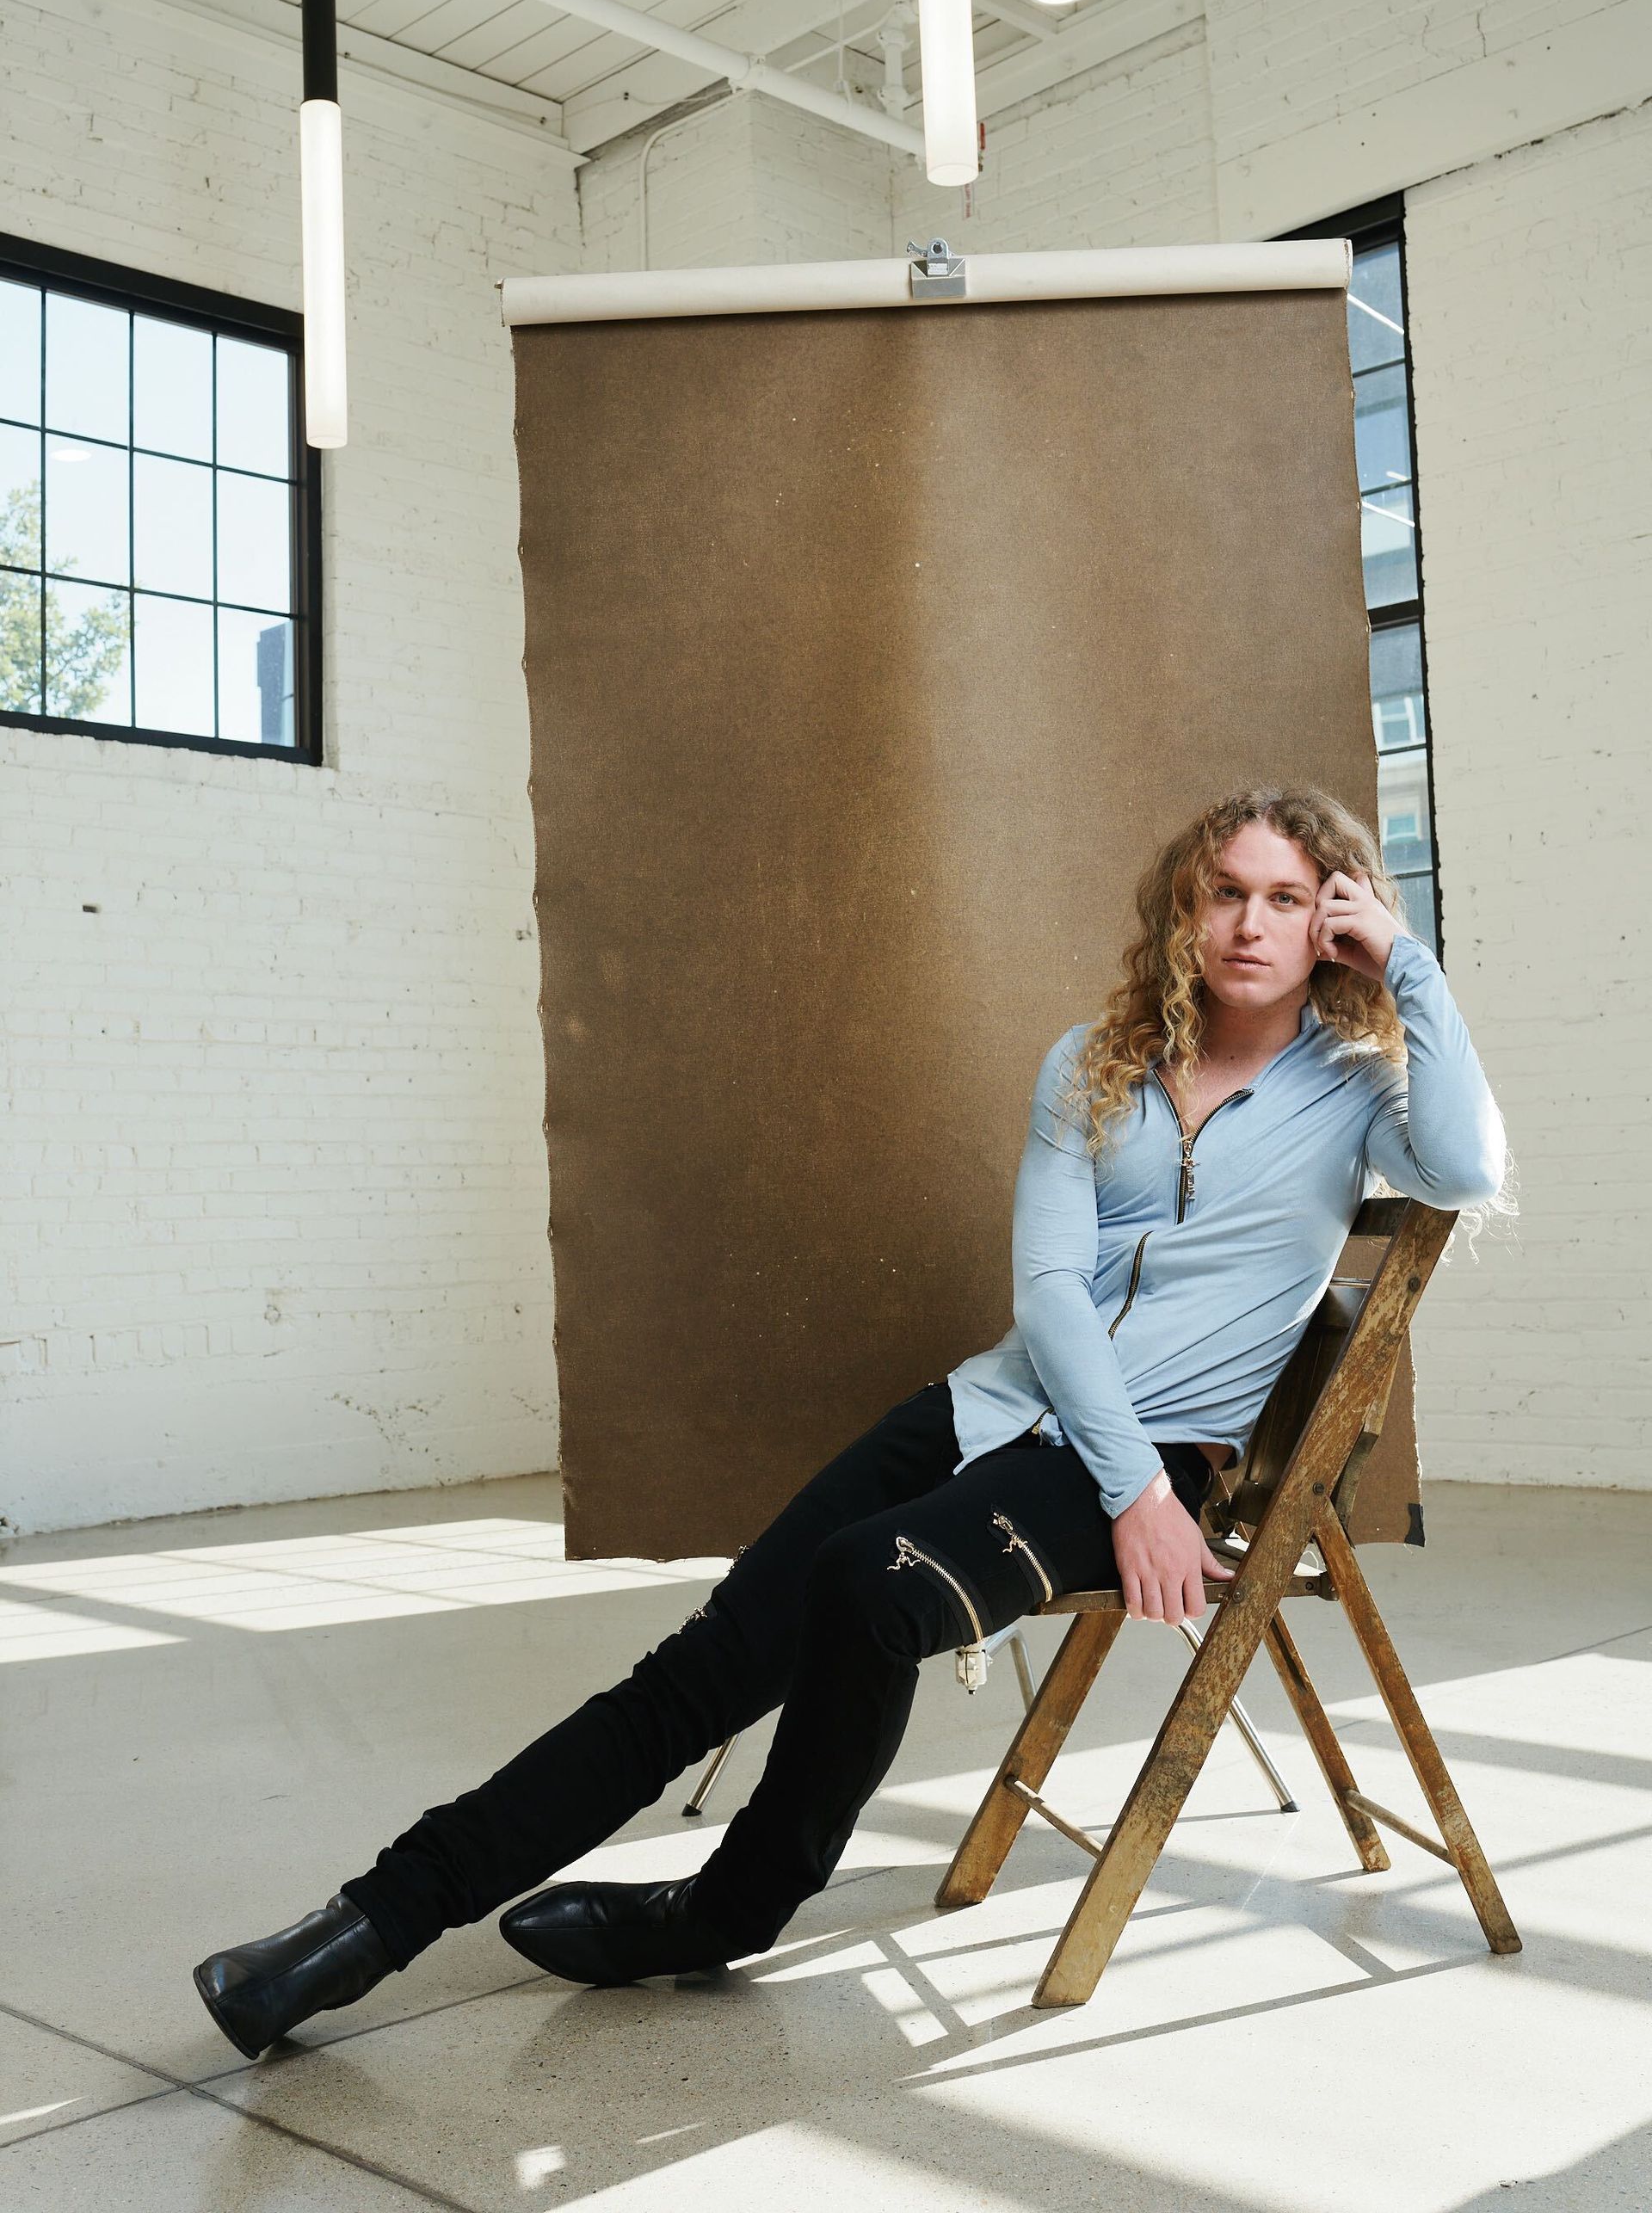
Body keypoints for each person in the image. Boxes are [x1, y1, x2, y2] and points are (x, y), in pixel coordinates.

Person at [193, 783, 1507, 2057]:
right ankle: (353, 1932)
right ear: (1185, 902)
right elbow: (1049, 1292)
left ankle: (732, 1908)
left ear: (1330, 918)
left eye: (1288, 897)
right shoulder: (1096, 1061)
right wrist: (1131, 1496)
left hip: (1163, 1456)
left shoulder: (1355, 1087)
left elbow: (1467, 1168)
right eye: (1226, 891)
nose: (1250, 924)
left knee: (867, 1585)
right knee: (698, 1674)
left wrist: (1409, 967)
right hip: (995, 1415)